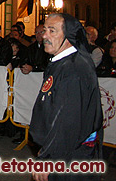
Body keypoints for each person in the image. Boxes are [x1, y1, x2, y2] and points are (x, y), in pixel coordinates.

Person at [30, 13, 103, 181]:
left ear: (68, 36)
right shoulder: (62, 62)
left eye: (52, 31)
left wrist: (48, 158)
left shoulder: (73, 69)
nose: (44, 35)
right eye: (44, 29)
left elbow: (66, 120)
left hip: (69, 159)